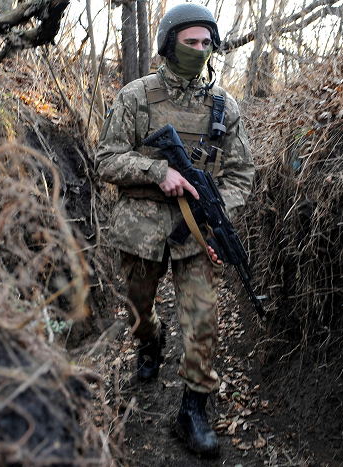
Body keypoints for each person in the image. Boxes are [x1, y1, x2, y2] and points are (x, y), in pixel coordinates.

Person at [94, 3, 255, 457]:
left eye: (207, 44)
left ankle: (193, 409)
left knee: (203, 317)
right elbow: (106, 158)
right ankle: (150, 342)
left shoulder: (225, 107)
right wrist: (156, 171)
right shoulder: (136, 97)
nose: (200, 50)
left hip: (198, 230)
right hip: (141, 227)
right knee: (138, 309)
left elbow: (243, 173)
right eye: (191, 42)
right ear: (169, 44)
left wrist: (217, 210)